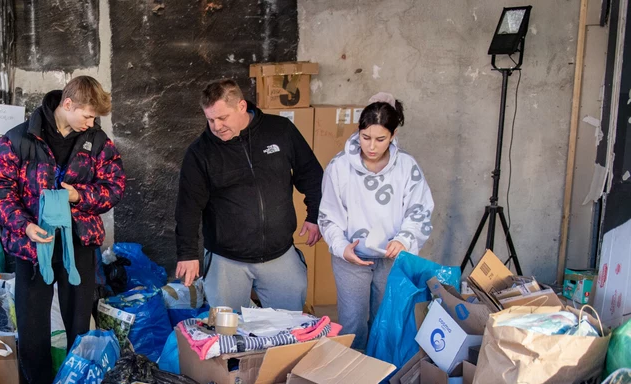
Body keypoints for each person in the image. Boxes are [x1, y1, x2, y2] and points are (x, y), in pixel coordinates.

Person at [0, 76, 125, 384]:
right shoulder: (18, 139)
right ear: (68, 104)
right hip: (33, 246)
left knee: (79, 321)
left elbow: (114, 187)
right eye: (87, 116)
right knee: (32, 325)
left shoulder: (98, 142)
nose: (91, 123)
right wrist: (25, 227)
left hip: (79, 244)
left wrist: (80, 194)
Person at [174, 79, 323, 311]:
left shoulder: (280, 130)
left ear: (242, 106)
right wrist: (187, 253)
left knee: (289, 329)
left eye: (223, 118)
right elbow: (188, 208)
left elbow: (311, 174)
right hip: (226, 260)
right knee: (229, 335)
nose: (216, 126)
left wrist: (314, 215)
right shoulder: (200, 152)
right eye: (210, 119)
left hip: (280, 254)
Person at [318, 93, 435, 350]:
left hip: (392, 259)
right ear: (358, 132)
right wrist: (341, 247)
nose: (371, 146)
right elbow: (328, 216)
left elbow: (420, 210)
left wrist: (404, 239)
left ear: (393, 136)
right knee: (352, 326)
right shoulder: (339, 167)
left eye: (380, 139)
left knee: (388, 324)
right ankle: (352, 383)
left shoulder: (407, 167)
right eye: (365, 137)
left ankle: (381, 381)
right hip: (351, 260)